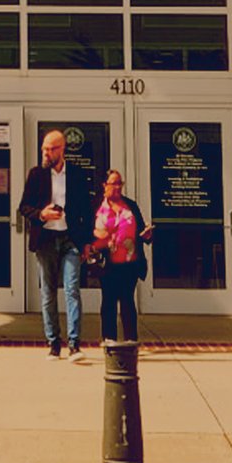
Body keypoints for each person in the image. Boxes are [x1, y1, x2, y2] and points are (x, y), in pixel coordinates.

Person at [16, 129, 94, 361]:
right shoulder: (36, 174)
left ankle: (74, 344)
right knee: (48, 292)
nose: (46, 153)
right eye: (44, 149)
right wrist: (42, 214)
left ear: (62, 149)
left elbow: (87, 211)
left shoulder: (77, 175)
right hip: (46, 240)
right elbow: (23, 207)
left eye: (51, 149)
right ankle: (53, 343)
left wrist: (87, 242)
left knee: (72, 289)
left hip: (71, 239)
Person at [89, 168, 152, 345]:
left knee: (127, 300)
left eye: (120, 183)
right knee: (109, 299)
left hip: (130, 262)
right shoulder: (96, 205)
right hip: (107, 263)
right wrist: (95, 233)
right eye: (113, 183)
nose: (117, 187)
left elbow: (141, 230)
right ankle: (109, 338)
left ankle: (131, 339)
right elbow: (86, 229)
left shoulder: (130, 205)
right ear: (104, 185)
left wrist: (146, 235)